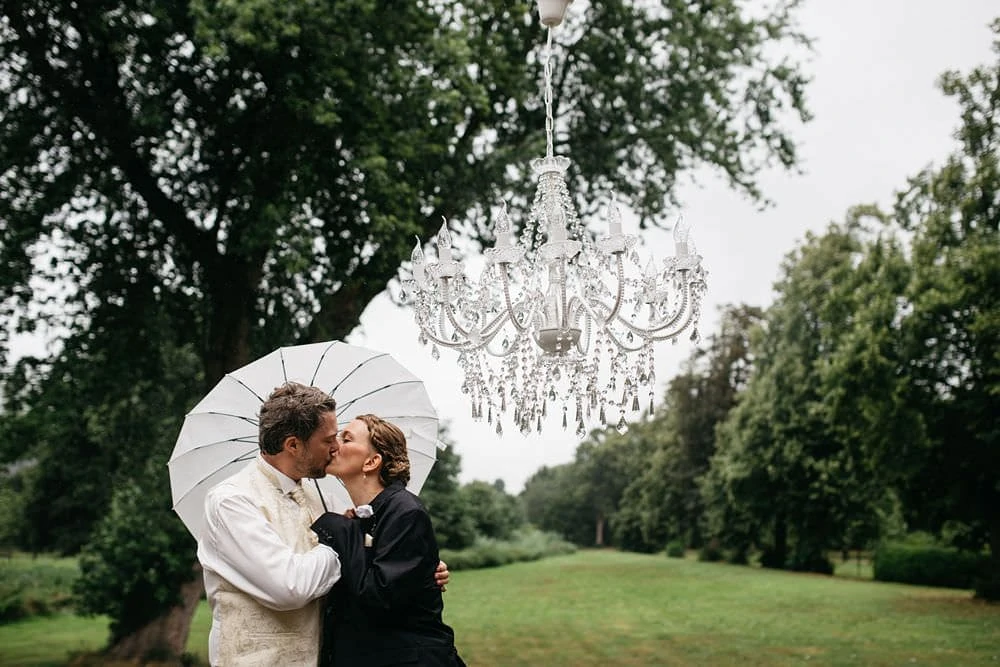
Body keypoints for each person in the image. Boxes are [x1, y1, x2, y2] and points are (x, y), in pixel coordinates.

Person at [197, 382, 343, 666]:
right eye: (328, 440)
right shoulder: (232, 501)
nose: (336, 448)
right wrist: (340, 543)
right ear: (293, 445)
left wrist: (410, 565)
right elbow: (289, 587)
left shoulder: (322, 495)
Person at [312, 414, 465, 667]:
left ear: (372, 461)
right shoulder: (363, 516)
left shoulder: (406, 511)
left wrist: (335, 525)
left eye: (346, 438)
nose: (335, 444)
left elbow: (378, 596)